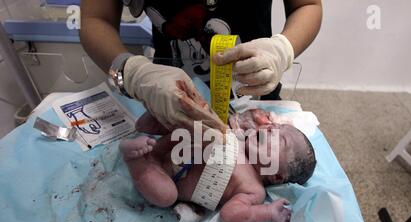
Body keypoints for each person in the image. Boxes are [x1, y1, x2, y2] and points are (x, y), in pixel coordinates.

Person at [80, 0, 322, 131]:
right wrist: (133, 72)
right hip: (165, 100)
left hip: (254, 97)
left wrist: (281, 49)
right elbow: (95, 18)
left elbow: (307, 5)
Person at [118, 92, 317, 222]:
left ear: (277, 175)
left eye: (281, 140)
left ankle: (137, 161)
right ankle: (152, 120)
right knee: (187, 120)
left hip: (166, 174)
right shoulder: (241, 137)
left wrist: (267, 212)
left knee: (165, 196)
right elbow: (227, 120)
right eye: (277, 126)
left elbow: (231, 215)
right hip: (174, 141)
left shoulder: (254, 190)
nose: (272, 128)